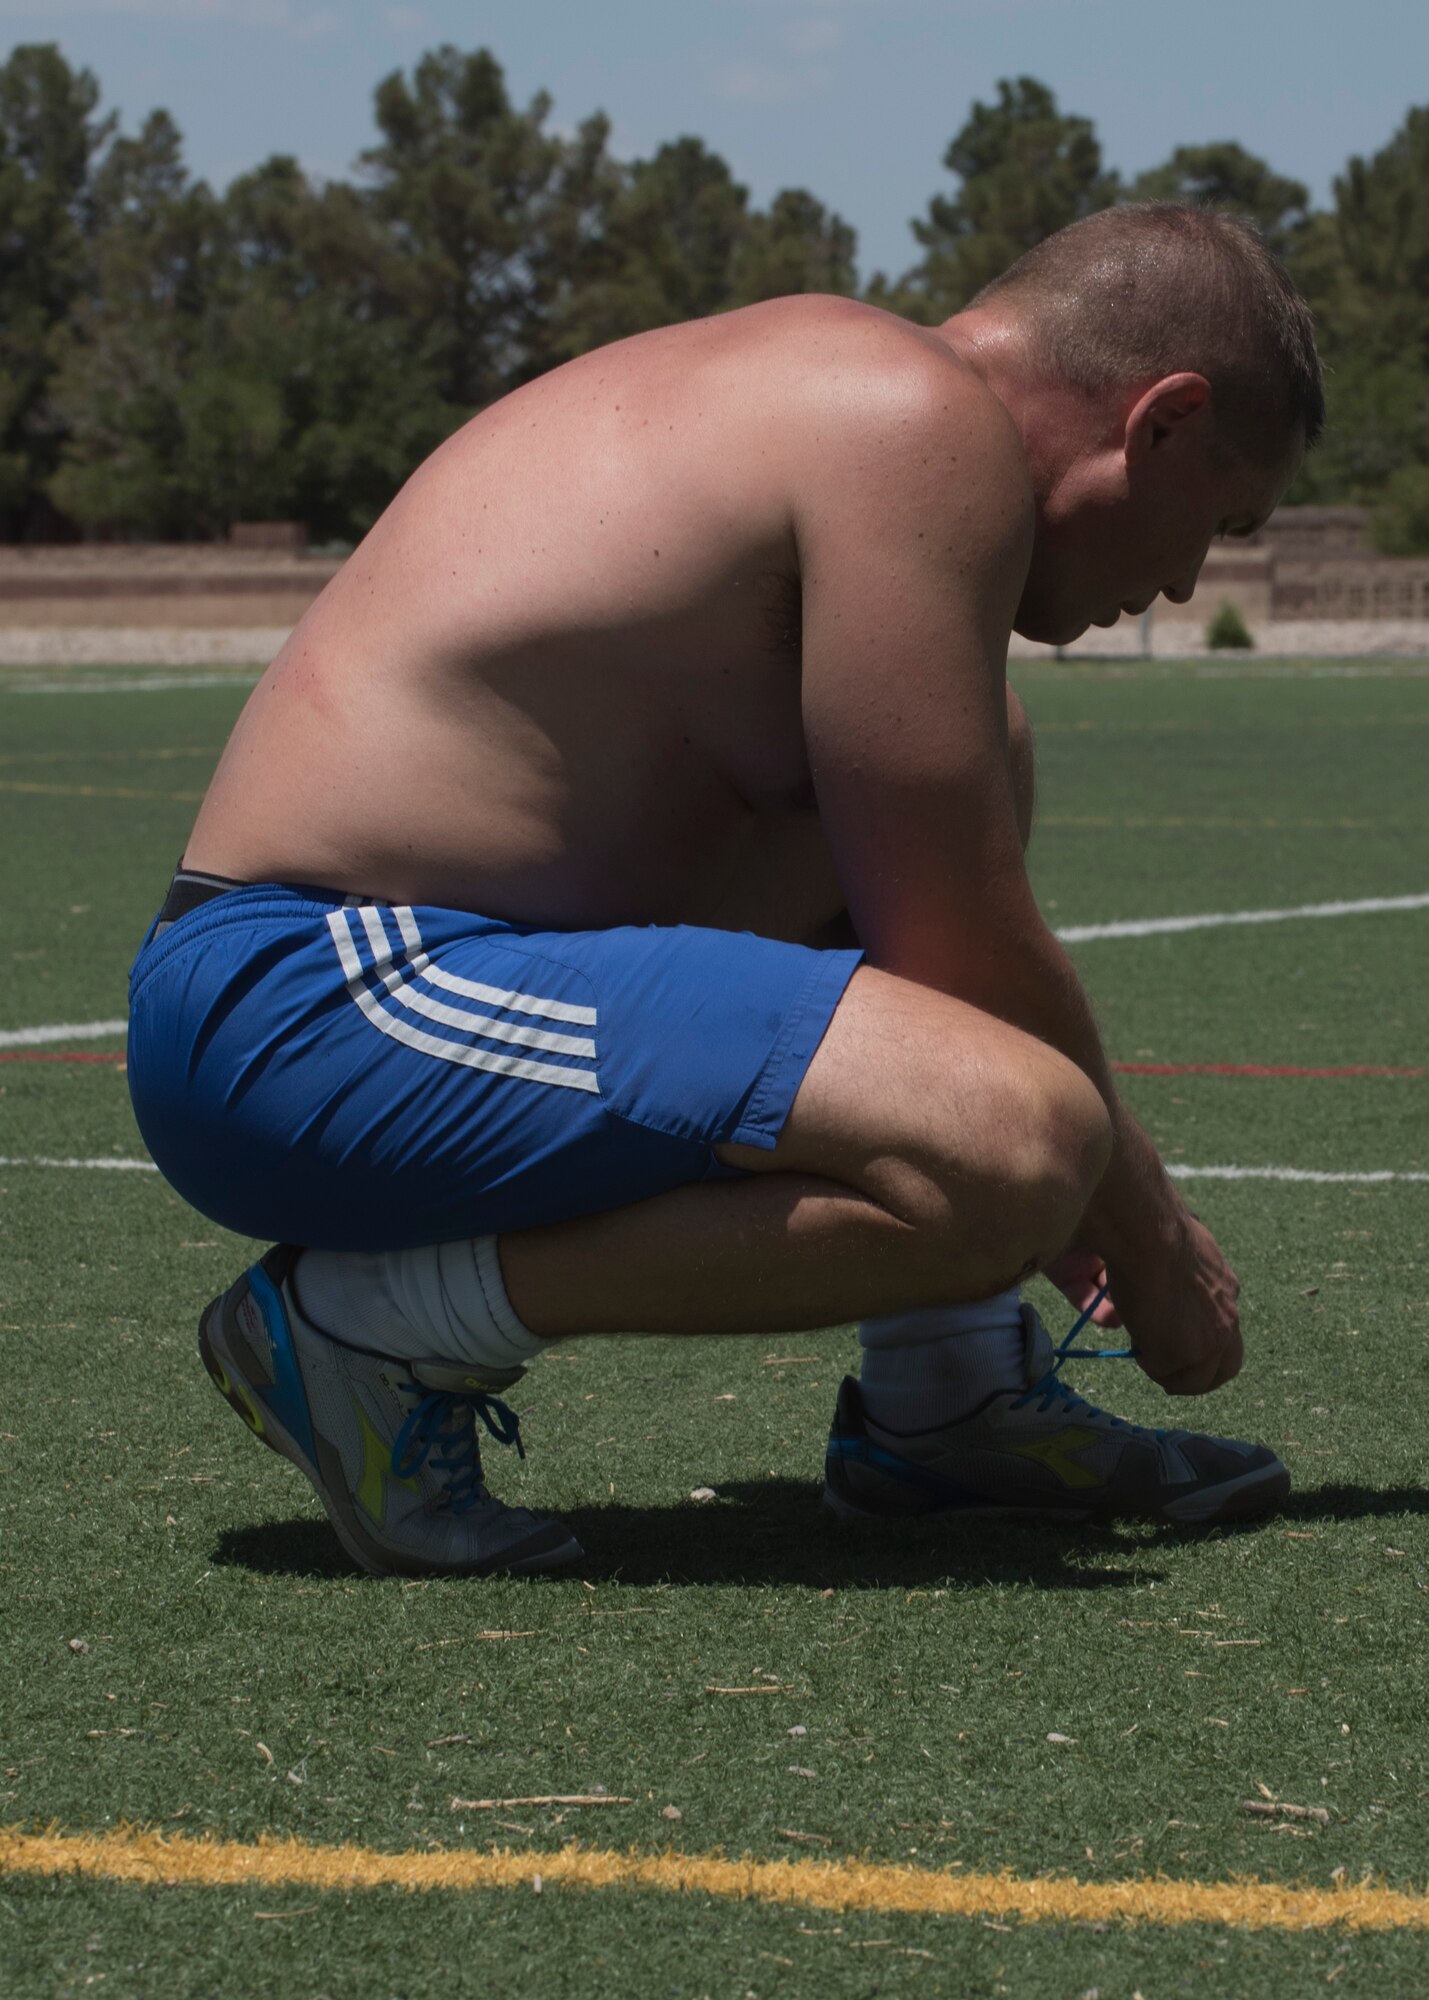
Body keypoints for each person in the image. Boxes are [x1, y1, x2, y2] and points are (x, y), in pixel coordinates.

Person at [126, 204, 1322, 1577]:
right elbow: (959, 940)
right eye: (1218, 521)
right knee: (1018, 1146)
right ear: (1158, 420)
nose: (1181, 578)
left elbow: (923, 927)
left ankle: (948, 1397)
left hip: (402, 980)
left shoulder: (847, 395)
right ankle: (361, 1330)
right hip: (302, 1000)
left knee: (977, 748)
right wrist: (1142, 1230)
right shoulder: (909, 416)